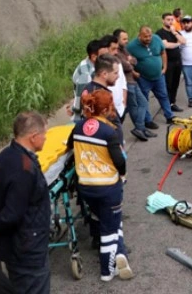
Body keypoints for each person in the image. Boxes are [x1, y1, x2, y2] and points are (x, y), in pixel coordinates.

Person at [68, 90, 133, 282]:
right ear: (106, 109)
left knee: (108, 219)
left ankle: (120, 253)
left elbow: (69, 146)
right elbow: (119, 161)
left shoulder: (78, 127)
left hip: (86, 187)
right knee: (109, 231)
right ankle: (107, 271)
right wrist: (122, 175)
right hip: (108, 187)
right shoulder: (109, 131)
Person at [0, 112, 50, 293]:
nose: (46, 138)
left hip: (15, 247)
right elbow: (12, 214)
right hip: (29, 248)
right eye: (44, 134)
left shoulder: (4, 157)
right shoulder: (25, 170)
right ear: (33, 137)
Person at [126, 26, 176, 128]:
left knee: (163, 95)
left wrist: (164, 67)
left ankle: (169, 116)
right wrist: (134, 72)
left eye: (150, 36)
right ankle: (148, 120)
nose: (148, 38)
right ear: (139, 35)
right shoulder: (131, 46)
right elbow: (126, 61)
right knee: (144, 99)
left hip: (158, 76)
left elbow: (163, 52)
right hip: (143, 78)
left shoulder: (156, 39)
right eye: (145, 37)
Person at [113, 28, 153, 141]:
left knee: (143, 102)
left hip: (133, 81)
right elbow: (126, 66)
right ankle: (140, 128)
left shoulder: (124, 50)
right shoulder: (117, 52)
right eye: (124, 39)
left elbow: (134, 61)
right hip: (126, 83)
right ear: (117, 39)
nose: (127, 41)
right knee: (134, 107)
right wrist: (129, 62)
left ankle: (140, 128)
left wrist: (130, 61)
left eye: (127, 38)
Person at [68, 39, 109, 120]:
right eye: (103, 56)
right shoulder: (85, 75)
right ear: (94, 57)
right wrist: (76, 111)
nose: (107, 58)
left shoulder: (91, 63)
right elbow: (80, 97)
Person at [155, 12, 187, 113]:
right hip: (168, 63)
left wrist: (174, 33)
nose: (170, 21)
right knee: (167, 84)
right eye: (168, 19)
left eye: (171, 19)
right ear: (163, 20)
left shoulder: (175, 31)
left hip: (178, 62)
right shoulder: (159, 33)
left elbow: (184, 41)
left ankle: (172, 102)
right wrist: (177, 44)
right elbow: (166, 45)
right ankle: (166, 104)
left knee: (175, 83)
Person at [101, 35, 128, 121]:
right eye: (113, 49)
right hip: (108, 112)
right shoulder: (98, 68)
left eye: (117, 49)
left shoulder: (117, 63)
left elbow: (123, 83)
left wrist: (124, 103)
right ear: (105, 49)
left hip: (120, 110)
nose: (116, 52)